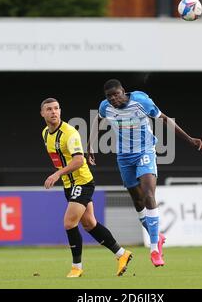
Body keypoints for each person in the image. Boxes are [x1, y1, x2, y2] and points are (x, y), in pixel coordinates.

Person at [87, 79, 202, 267]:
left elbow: (164, 118)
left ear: (123, 91)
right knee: (137, 199)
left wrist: (189, 138)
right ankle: (157, 237)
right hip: (124, 157)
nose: (113, 99)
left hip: (145, 151)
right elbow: (97, 119)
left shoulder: (141, 101)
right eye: (109, 96)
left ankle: (154, 250)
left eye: (116, 94)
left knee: (149, 194)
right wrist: (90, 144)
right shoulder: (105, 107)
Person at [40, 97, 133, 278]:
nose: (54, 112)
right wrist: (62, 175)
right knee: (90, 224)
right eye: (49, 109)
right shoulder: (45, 133)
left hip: (82, 182)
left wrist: (57, 174)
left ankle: (77, 267)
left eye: (57, 108)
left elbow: (79, 160)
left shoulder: (69, 133)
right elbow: (60, 159)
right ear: (42, 113)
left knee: (69, 223)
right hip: (70, 184)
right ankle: (122, 254)